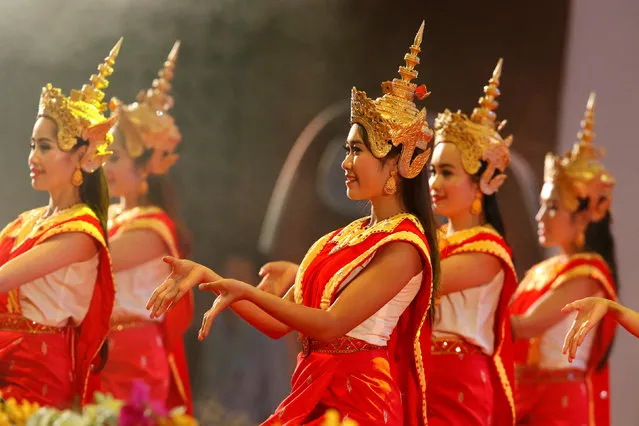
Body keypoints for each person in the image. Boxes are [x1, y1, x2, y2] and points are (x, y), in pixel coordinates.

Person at [147, 21, 440, 426]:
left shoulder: (405, 246)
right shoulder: (342, 238)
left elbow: (331, 324)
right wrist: (209, 278)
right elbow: (275, 323)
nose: (345, 163)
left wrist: (242, 289)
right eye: (347, 150)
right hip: (313, 385)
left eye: (357, 151)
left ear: (394, 164)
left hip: (360, 401)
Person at [0, 39, 123, 407]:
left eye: (45, 147)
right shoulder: (28, 221)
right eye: (32, 145)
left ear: (82, 156)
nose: (33, 157)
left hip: (34, 372)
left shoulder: (80, 232)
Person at [510, 93, 618, 426]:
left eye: (553, 207)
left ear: (585, 216)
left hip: (559, 403)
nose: (541, 216)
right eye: (542, 204)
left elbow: (526, 325)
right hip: (525, 394)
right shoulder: (544, 270)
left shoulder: (588, 275)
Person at [101, 41, 193, 413]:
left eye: (115, 156)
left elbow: (91, 260)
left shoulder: (153, 229)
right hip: (101, 349)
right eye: (104, 153)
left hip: (133, 355)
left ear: (145, 167)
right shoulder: (109, 218)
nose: (104, 164)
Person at [426, 58, 517, 426]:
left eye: (447, 173)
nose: (434, 183)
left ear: (484, 181)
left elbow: (419, 280)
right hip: (416, 373)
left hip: (458, 381)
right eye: (433, 171)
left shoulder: (488, 251)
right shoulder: (429, 239)